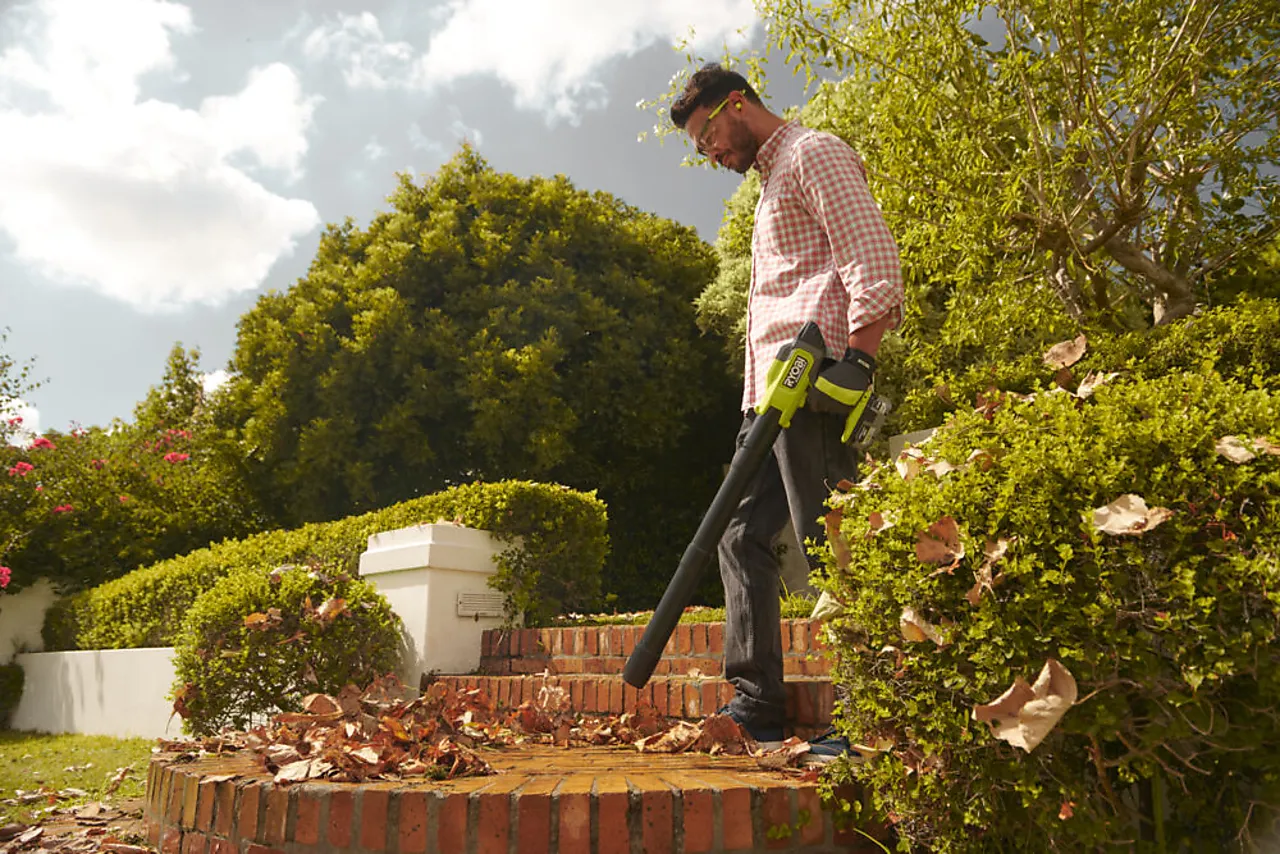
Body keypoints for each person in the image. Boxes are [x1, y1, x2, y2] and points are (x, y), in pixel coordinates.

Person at [669, 63, 904, 761]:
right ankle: (758, 704)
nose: (708, 153)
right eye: (698, 147)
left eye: (707, 134)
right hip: (764, 398)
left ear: (736, 104)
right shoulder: (770, 185)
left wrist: (859, 358)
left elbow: (870, 253)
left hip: (814, 382)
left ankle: (878, 712)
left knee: (836, 539)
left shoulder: (812, 152)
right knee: (740, 538)